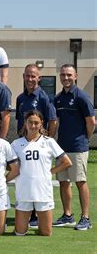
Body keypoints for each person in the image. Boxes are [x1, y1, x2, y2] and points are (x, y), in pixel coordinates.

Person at [11, 110, 72, 236]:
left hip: (43, 190)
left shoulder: (48, 142)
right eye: (30, 122)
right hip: (24, 190)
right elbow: (8, 165)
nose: (33, 126)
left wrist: (49, 172)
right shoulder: (16, 144)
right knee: (20, 232)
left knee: (46, 233)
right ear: (25, 124)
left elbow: (67, 162)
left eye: (36, 123)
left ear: (41, 124)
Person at [53, 64, 95, 230]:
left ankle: (86, 218)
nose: (66, 78)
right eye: (63, 75)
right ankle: (67, 215)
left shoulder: (82, 97)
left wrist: (85, 138)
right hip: (61, 148)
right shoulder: (58, 98)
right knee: (63, 182)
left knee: (80, 182)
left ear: (75, 76)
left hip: (78, 148)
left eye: (69, 75)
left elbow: (91, 122)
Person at [16, 64, 57, 137]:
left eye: (33, 76)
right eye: (27, 76)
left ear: (39, 78)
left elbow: (53, 121)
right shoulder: (20, 98)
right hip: (22, 142)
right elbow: (20, 121)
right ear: (23, 76)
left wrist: (48, 141)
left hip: (39, 142)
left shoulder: (45, 98)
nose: (30, 79)